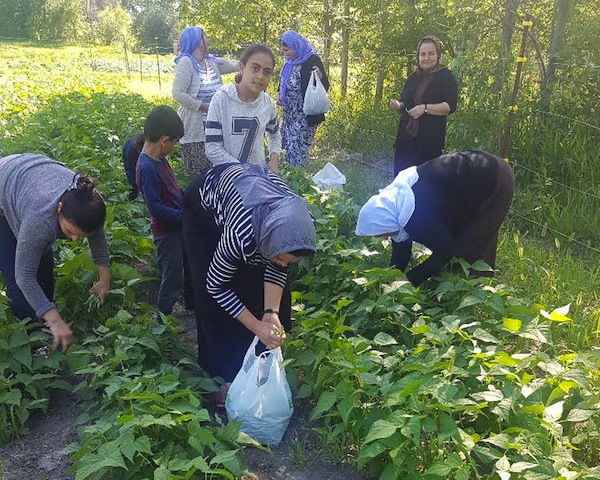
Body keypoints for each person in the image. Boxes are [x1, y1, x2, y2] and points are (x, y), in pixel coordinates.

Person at [182, 162, 316, 407]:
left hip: (254, 212)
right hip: (204, 211)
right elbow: (216, 286)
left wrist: (270, 314)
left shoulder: (298, 224)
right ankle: (226, 376)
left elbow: (278, 266)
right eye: (279, 257)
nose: (282, 264)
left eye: (289, 260)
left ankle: (265, 363)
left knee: (270, 293)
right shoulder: (240, 234)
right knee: (214, 295)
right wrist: (255, 325)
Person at [0, 153, 109, 352]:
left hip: (30, 175)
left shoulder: (89, 202)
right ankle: (33, 341)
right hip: (4, 186)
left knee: (43, 265)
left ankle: (45, 325)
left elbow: (97, 235)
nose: (74, 240)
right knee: (17, 283)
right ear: (59, 208)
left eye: (80, 235)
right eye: (69, 231)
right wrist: (55, 320)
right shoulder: (39, 221)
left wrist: (104, 279)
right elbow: (24, 276)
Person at [356, 151, 514, 285]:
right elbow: (401, 249)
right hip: (472, 179)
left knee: (468, 249)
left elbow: (446, 250)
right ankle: (454, 287)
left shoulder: (415, 216)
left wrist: (409, 280)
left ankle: (473, 295)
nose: (383, 237)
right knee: (455, 247)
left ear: (385, 220)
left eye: (380, 233)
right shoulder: (398, 206)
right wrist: (391, 277)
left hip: (494, 179)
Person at [136, 105, 188, 315]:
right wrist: (183, 216)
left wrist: (188, 194)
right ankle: (163, 320)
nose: (174, 146)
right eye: (174, 142)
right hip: (166, 232)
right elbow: (155, 207)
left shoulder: (160, 160)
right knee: (172, 276)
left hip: (176, 226)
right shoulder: (147, 167)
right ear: (164, 140)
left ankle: (185, 305)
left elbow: (172, 189)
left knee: (182, 269)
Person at [172, 26, 239, 176]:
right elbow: (177, 93)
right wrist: (202, 106)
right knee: (200, 173)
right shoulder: (186, 63)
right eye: (204, 36)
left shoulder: (210, 62)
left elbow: (233, 65)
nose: (207, 39)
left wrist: (248, 63)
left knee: (217, 167)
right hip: (197, 127)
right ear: (197, 42)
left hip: (215, 123)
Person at [205, 44, 281, 173]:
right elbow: (212, 148)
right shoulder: (222, 99)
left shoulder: (267, 103)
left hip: (259, 177)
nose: (261, 76)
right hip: (227, 177)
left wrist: (274, 159)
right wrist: (243, 171)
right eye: (255, 68)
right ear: (242, 67)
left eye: (267, 72)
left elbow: (274, 135)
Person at [389, 35, 458, 176]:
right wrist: (398, 105)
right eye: (423, 54)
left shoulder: (446, 77)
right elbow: (406, 104)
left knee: (424, 185)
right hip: (405, 141)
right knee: (401, 182)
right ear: (418, 56)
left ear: (438, 55)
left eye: (431, 54)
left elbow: (450, 106)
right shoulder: (413, 77)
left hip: (428, 143)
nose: (426, 58)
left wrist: (425, 108)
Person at [277, 30, 330, 169]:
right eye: (283, 50)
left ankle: (297, 179)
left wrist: (320, 76)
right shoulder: (288, 62)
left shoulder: (311, 59)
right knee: (289, 146)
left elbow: (325, 86)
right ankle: (291, 176)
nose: (285, 53)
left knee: (297, 146)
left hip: (305, 113)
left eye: (287, 50)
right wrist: (278, 93)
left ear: (295, 45)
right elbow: (283, 80)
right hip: (289, 113)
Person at [122, 131, 144, 200]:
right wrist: (136, 186)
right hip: (129, 155)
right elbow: (130, 170)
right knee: (132, 182)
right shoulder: (130, 152)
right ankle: (133, 197)